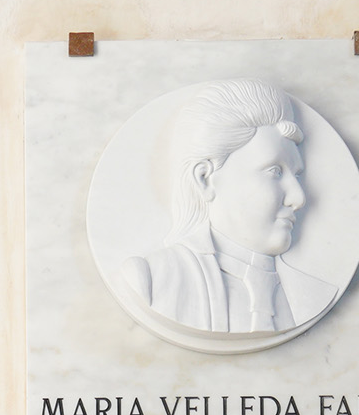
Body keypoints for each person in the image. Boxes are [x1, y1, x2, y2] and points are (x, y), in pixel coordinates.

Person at [119, 78, 339, 335]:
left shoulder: (314, 296)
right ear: (204, 179)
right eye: (274, 171)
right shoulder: (153, 280)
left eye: (297, 175)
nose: (298, 198)